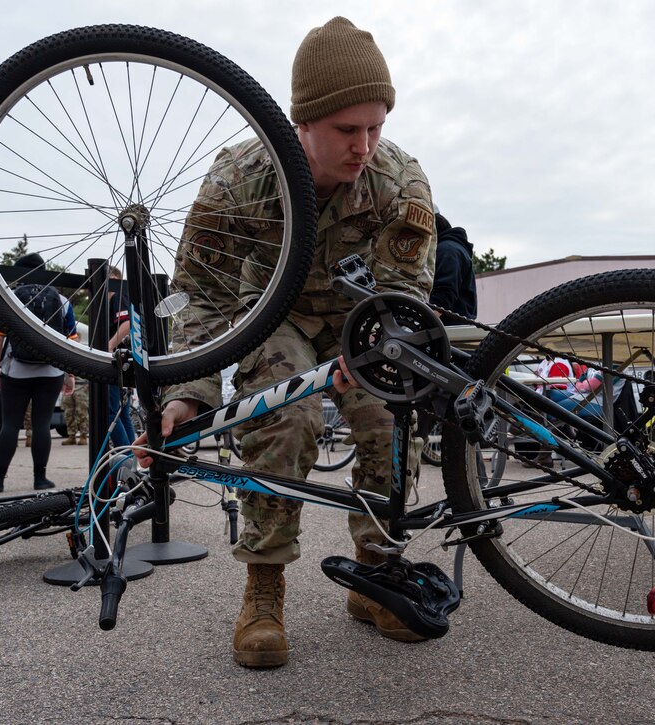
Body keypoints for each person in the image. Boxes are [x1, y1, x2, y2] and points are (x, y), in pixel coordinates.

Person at [137, 17, 435, 668]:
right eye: (346, 130)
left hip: (364, 322)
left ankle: (377, 577)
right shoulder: (239, 178)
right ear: (302, 121)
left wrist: (378, 355)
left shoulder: (399, 183)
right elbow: (195, 291)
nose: (364, 145)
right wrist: (190, 389)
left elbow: (405, 295)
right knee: (284, 408)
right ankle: (263, 589)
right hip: (275, 315)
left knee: (390, 415)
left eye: (375, 127)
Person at [0, 253, 78, 492]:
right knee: (41, 424)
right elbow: (69, 341)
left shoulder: (9, 298)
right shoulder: (61, 299)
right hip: (51, 372)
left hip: (15, 371)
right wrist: (70, 374)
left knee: (10, 424)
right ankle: (40, 478)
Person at [105, 266, 136, 448]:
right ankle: (133, 456)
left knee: (110, 413)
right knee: (122, 413)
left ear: (115, 277)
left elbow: (127, 322)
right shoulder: (120, 296)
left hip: (117, 360)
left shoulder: (118, 294)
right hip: (125, 360)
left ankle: (126, 456)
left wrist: (109, 345)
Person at [429, 212, 477, 319]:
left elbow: (442, 296)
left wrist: (413, 326)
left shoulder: (447, 250)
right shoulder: (451, 248)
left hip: (449, 331)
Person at [60, 378, 89, 446]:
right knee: (68, 412)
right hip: (68, 384)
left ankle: (83, 436)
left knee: (82, 412)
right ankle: (71, 436)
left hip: (81, 384)